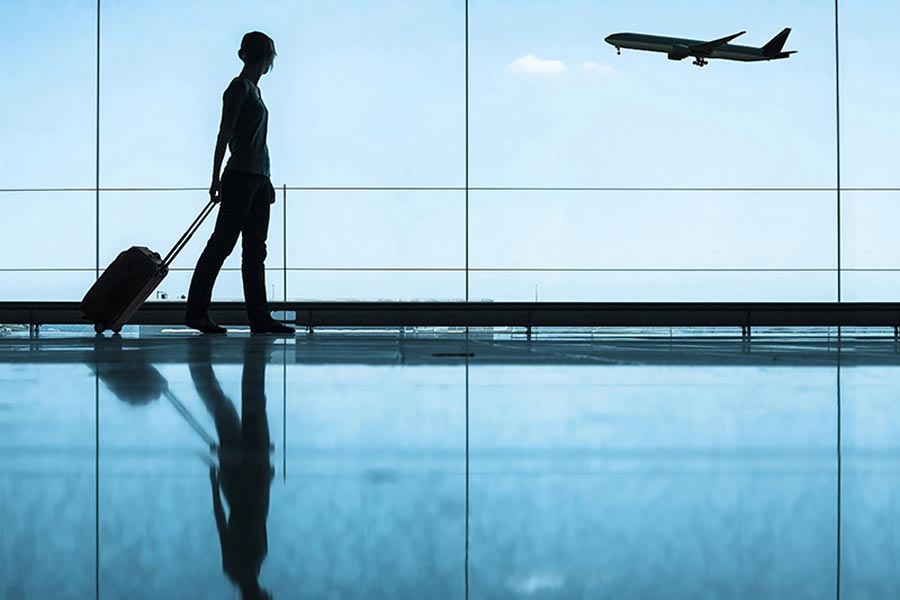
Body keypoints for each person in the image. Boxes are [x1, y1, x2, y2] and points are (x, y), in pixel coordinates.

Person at [185, 31, 294, 335]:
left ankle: (258, 317)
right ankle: (197, 313)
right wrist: (215, 177)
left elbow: (256, 142)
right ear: (263, 57)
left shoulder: (255, 93)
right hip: (241, 177)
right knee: (223, 244)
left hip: (257, 178)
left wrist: (267, 178)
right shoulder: (239, 89)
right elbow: (225, 133)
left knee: (254, 250)